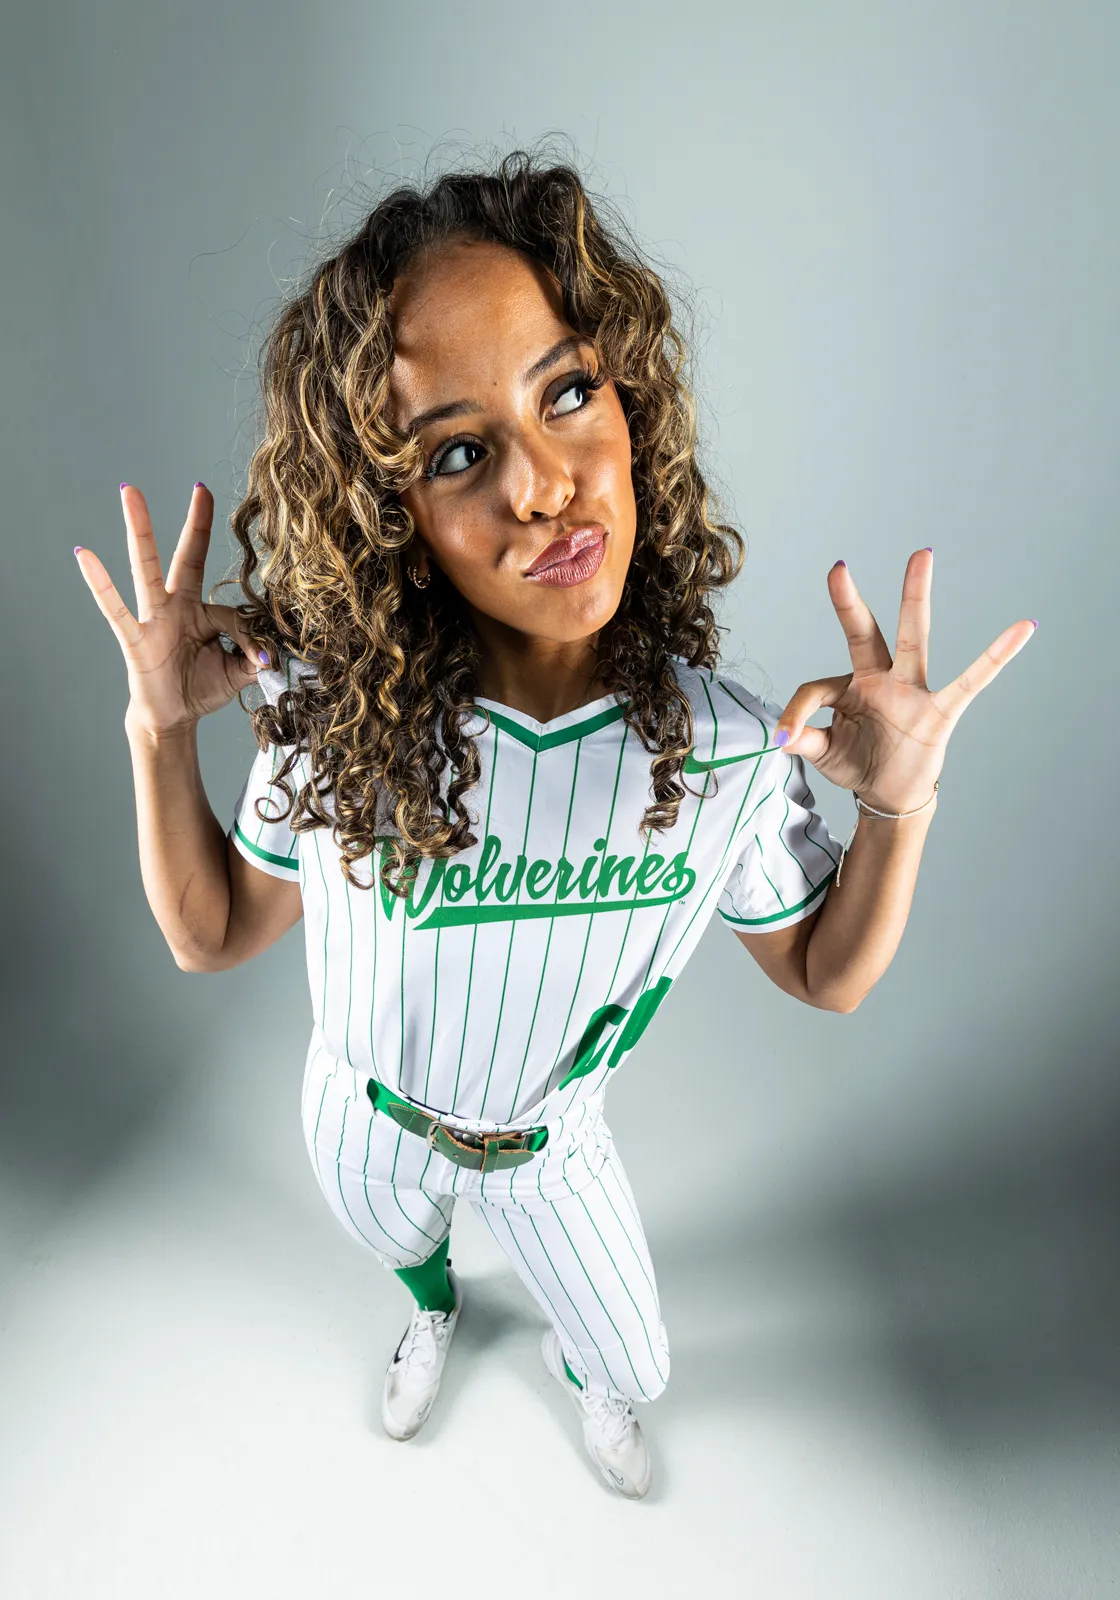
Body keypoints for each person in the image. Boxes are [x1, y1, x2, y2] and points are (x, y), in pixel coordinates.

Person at [75, 149, 1036, 1501]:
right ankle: (432, 1308)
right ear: (392, 514)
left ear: (631, 400)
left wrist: (897, 801)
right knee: (394, 1240)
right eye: (460, 453)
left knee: (636, 1363)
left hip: (549, 1150)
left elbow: (829, 973)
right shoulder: (342, 715)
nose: (541, 485)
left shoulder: (721, 747)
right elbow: (213, 931)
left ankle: (585, 1369)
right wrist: (159, 732)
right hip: (359, 1114)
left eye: (568, 391)